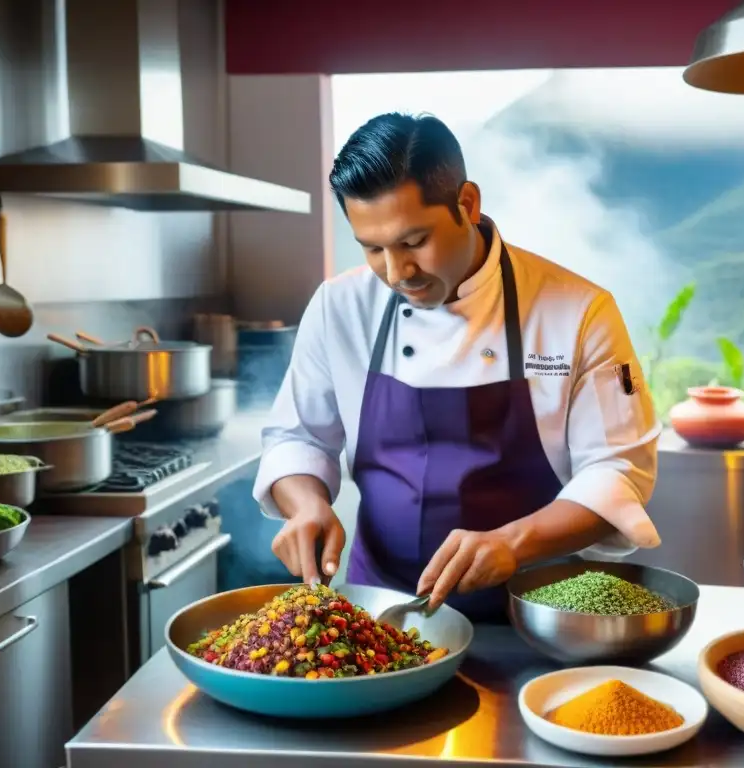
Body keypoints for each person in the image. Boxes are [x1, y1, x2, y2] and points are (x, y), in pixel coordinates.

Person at [252, 113, 662, 620]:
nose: (397, 272)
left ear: (466, 204)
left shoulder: (577, 310)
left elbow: (616, 471)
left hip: (536, 614)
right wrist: (307, 504)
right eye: (372, 248)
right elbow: (298, 438)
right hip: (381, 612)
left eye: (414, 242)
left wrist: (513, 542)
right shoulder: (340, 305)